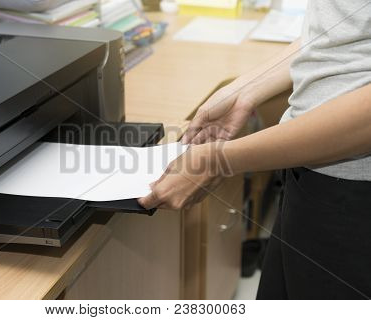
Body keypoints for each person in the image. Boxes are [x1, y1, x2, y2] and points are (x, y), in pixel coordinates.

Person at [138, 0, 371, 299]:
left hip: (354, 200)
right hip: (311, 176)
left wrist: (220, 160)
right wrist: (244, 92)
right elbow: (341, 31)